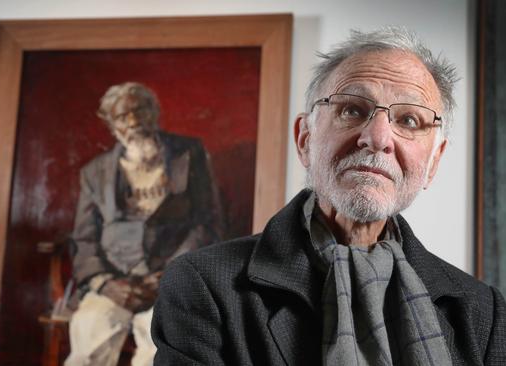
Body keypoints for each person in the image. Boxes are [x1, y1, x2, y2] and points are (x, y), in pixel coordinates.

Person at [152, 27, 506, 365]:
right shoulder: (202, 285)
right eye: (352, 109)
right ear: (305, 138)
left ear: (433, 163)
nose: (378, 137)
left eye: (410, 120)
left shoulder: (483, 313)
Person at [64, 82, 222, 366]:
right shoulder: (94, 173)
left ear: (155, 112)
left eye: (140, 111)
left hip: (172, 279)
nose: (134, 121)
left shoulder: (189, 154)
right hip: (114, 284)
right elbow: (84, 240)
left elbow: (206, 223)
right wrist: (107, 284)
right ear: (111, 124)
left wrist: (172, 274)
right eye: (124, 117)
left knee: (160, 352)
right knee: (88, 347)